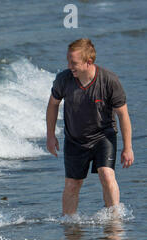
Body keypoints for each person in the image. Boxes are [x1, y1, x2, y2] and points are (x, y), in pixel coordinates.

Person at [46, 38, 134, 216]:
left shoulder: (109, 81)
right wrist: (50, 135)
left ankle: (114, 219)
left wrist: (128, 147)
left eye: (74, 62)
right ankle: (69, 224)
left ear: (89, 62)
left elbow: (123, 115)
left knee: (106, 174)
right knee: (72, 184)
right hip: (74, 139)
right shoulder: (64, 80)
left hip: (103, 136)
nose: (69, 66)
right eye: (68, 61)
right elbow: (53, 105)